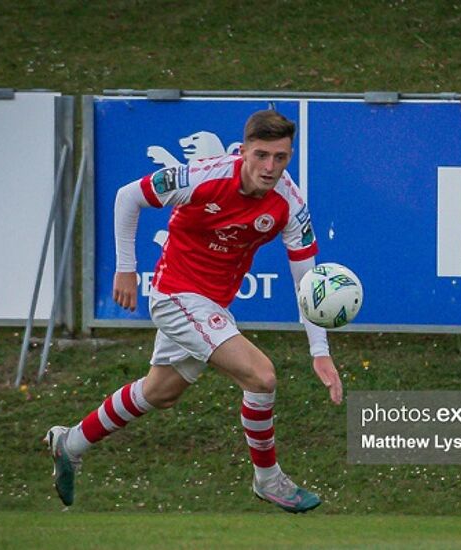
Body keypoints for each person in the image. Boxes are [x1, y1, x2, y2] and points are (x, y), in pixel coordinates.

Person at [45, 110, 342, 513]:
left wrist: (319, 351)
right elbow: (128, 196)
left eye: (281, 157)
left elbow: (307, 282)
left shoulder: (289, 202)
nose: (270, 167)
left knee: (160, 392)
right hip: (176, 295)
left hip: (212, 304)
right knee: (262, 376)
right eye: (261, 155)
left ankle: (71, 443)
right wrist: (126, 268)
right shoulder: (204, 176)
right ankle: (267, 479)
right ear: (244, 151)